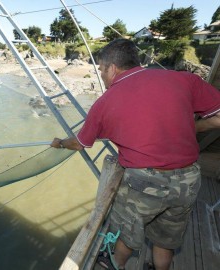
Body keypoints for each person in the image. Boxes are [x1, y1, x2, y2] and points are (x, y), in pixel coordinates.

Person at [51, 39, 220, 270]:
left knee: (126, 234)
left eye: (101, 70)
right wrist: (192, 128)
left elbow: (80, 143)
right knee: (166, 239)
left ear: (112, 68)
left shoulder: (105, 102)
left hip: (145, 184)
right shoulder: (182, 79)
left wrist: (60, 143)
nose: (101, 76)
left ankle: (114, 264)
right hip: (188, 180)